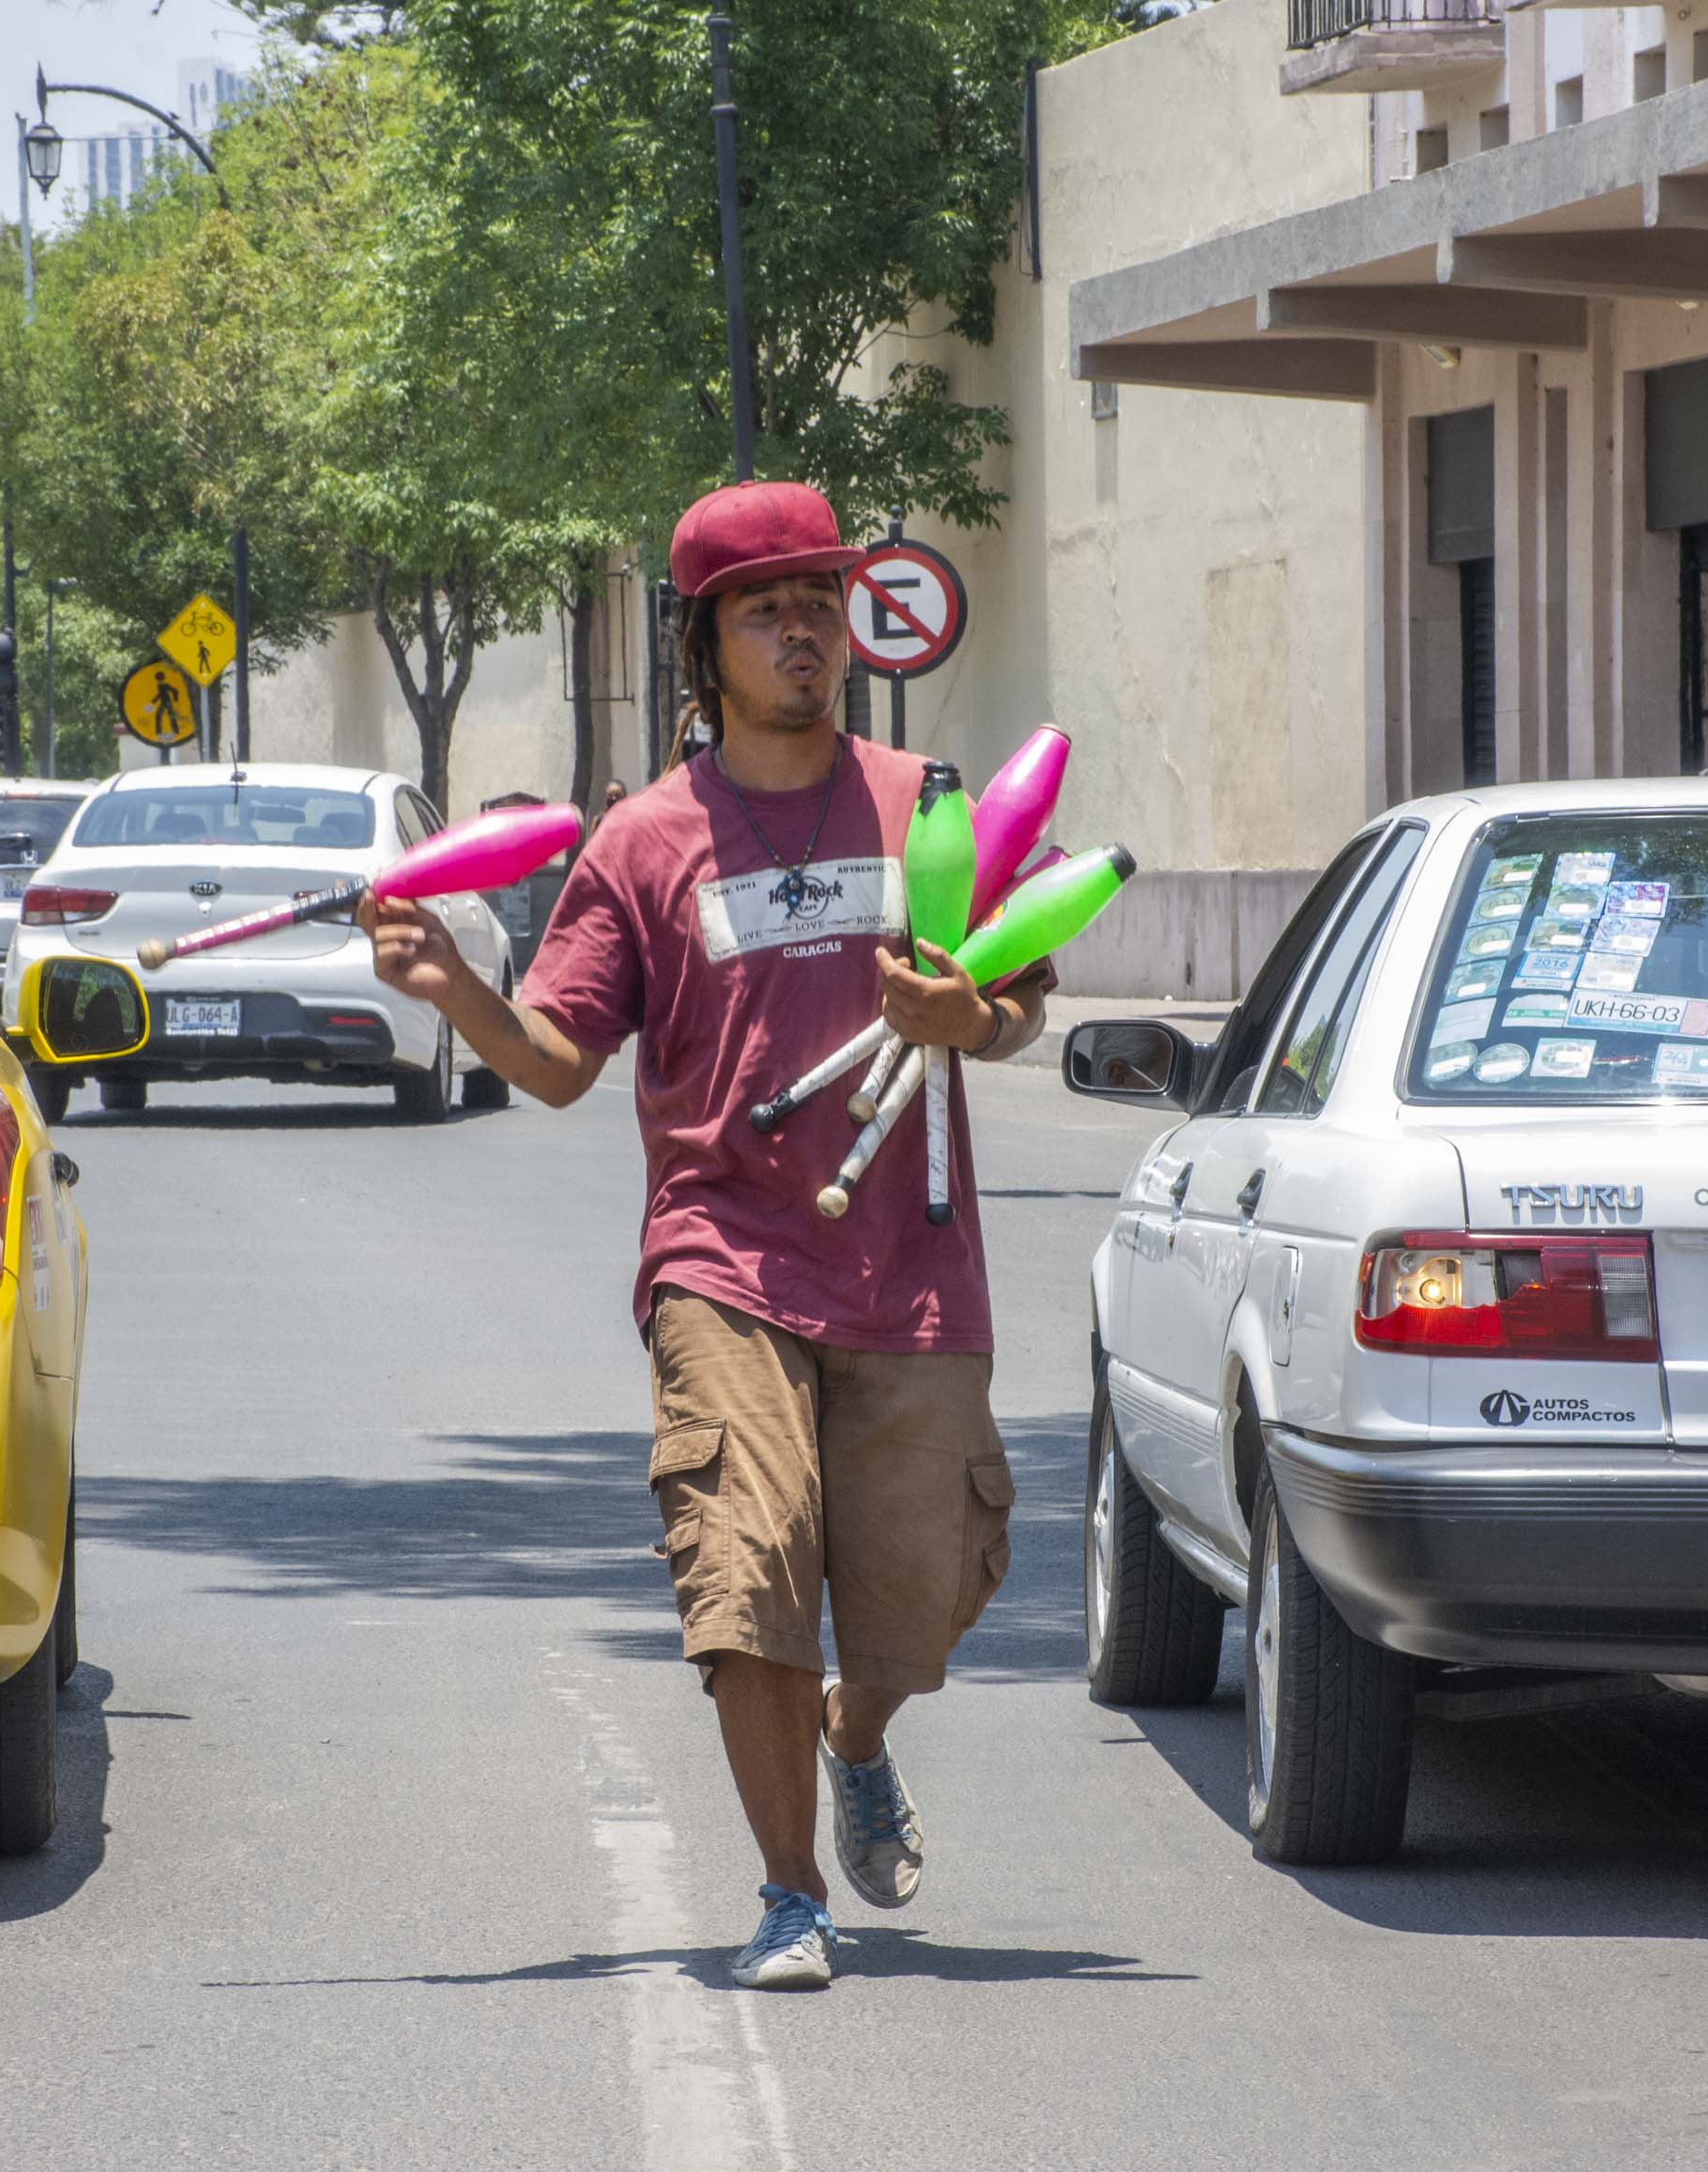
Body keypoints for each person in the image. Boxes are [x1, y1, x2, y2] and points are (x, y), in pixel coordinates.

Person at [362, 480, 1051, 1991]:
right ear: (706, 641)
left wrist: (973, 1014)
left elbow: (1014, 994)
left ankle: (857, 1734)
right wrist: (453, 990)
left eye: (819, 597)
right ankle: (790, 1891)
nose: (802, 625)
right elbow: (554, 1061)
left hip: (910, 1263)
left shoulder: (923, 797)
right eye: (765, 606)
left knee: (920, 1602)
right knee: (746, 1559)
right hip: (722, 1252)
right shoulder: (646, 841)